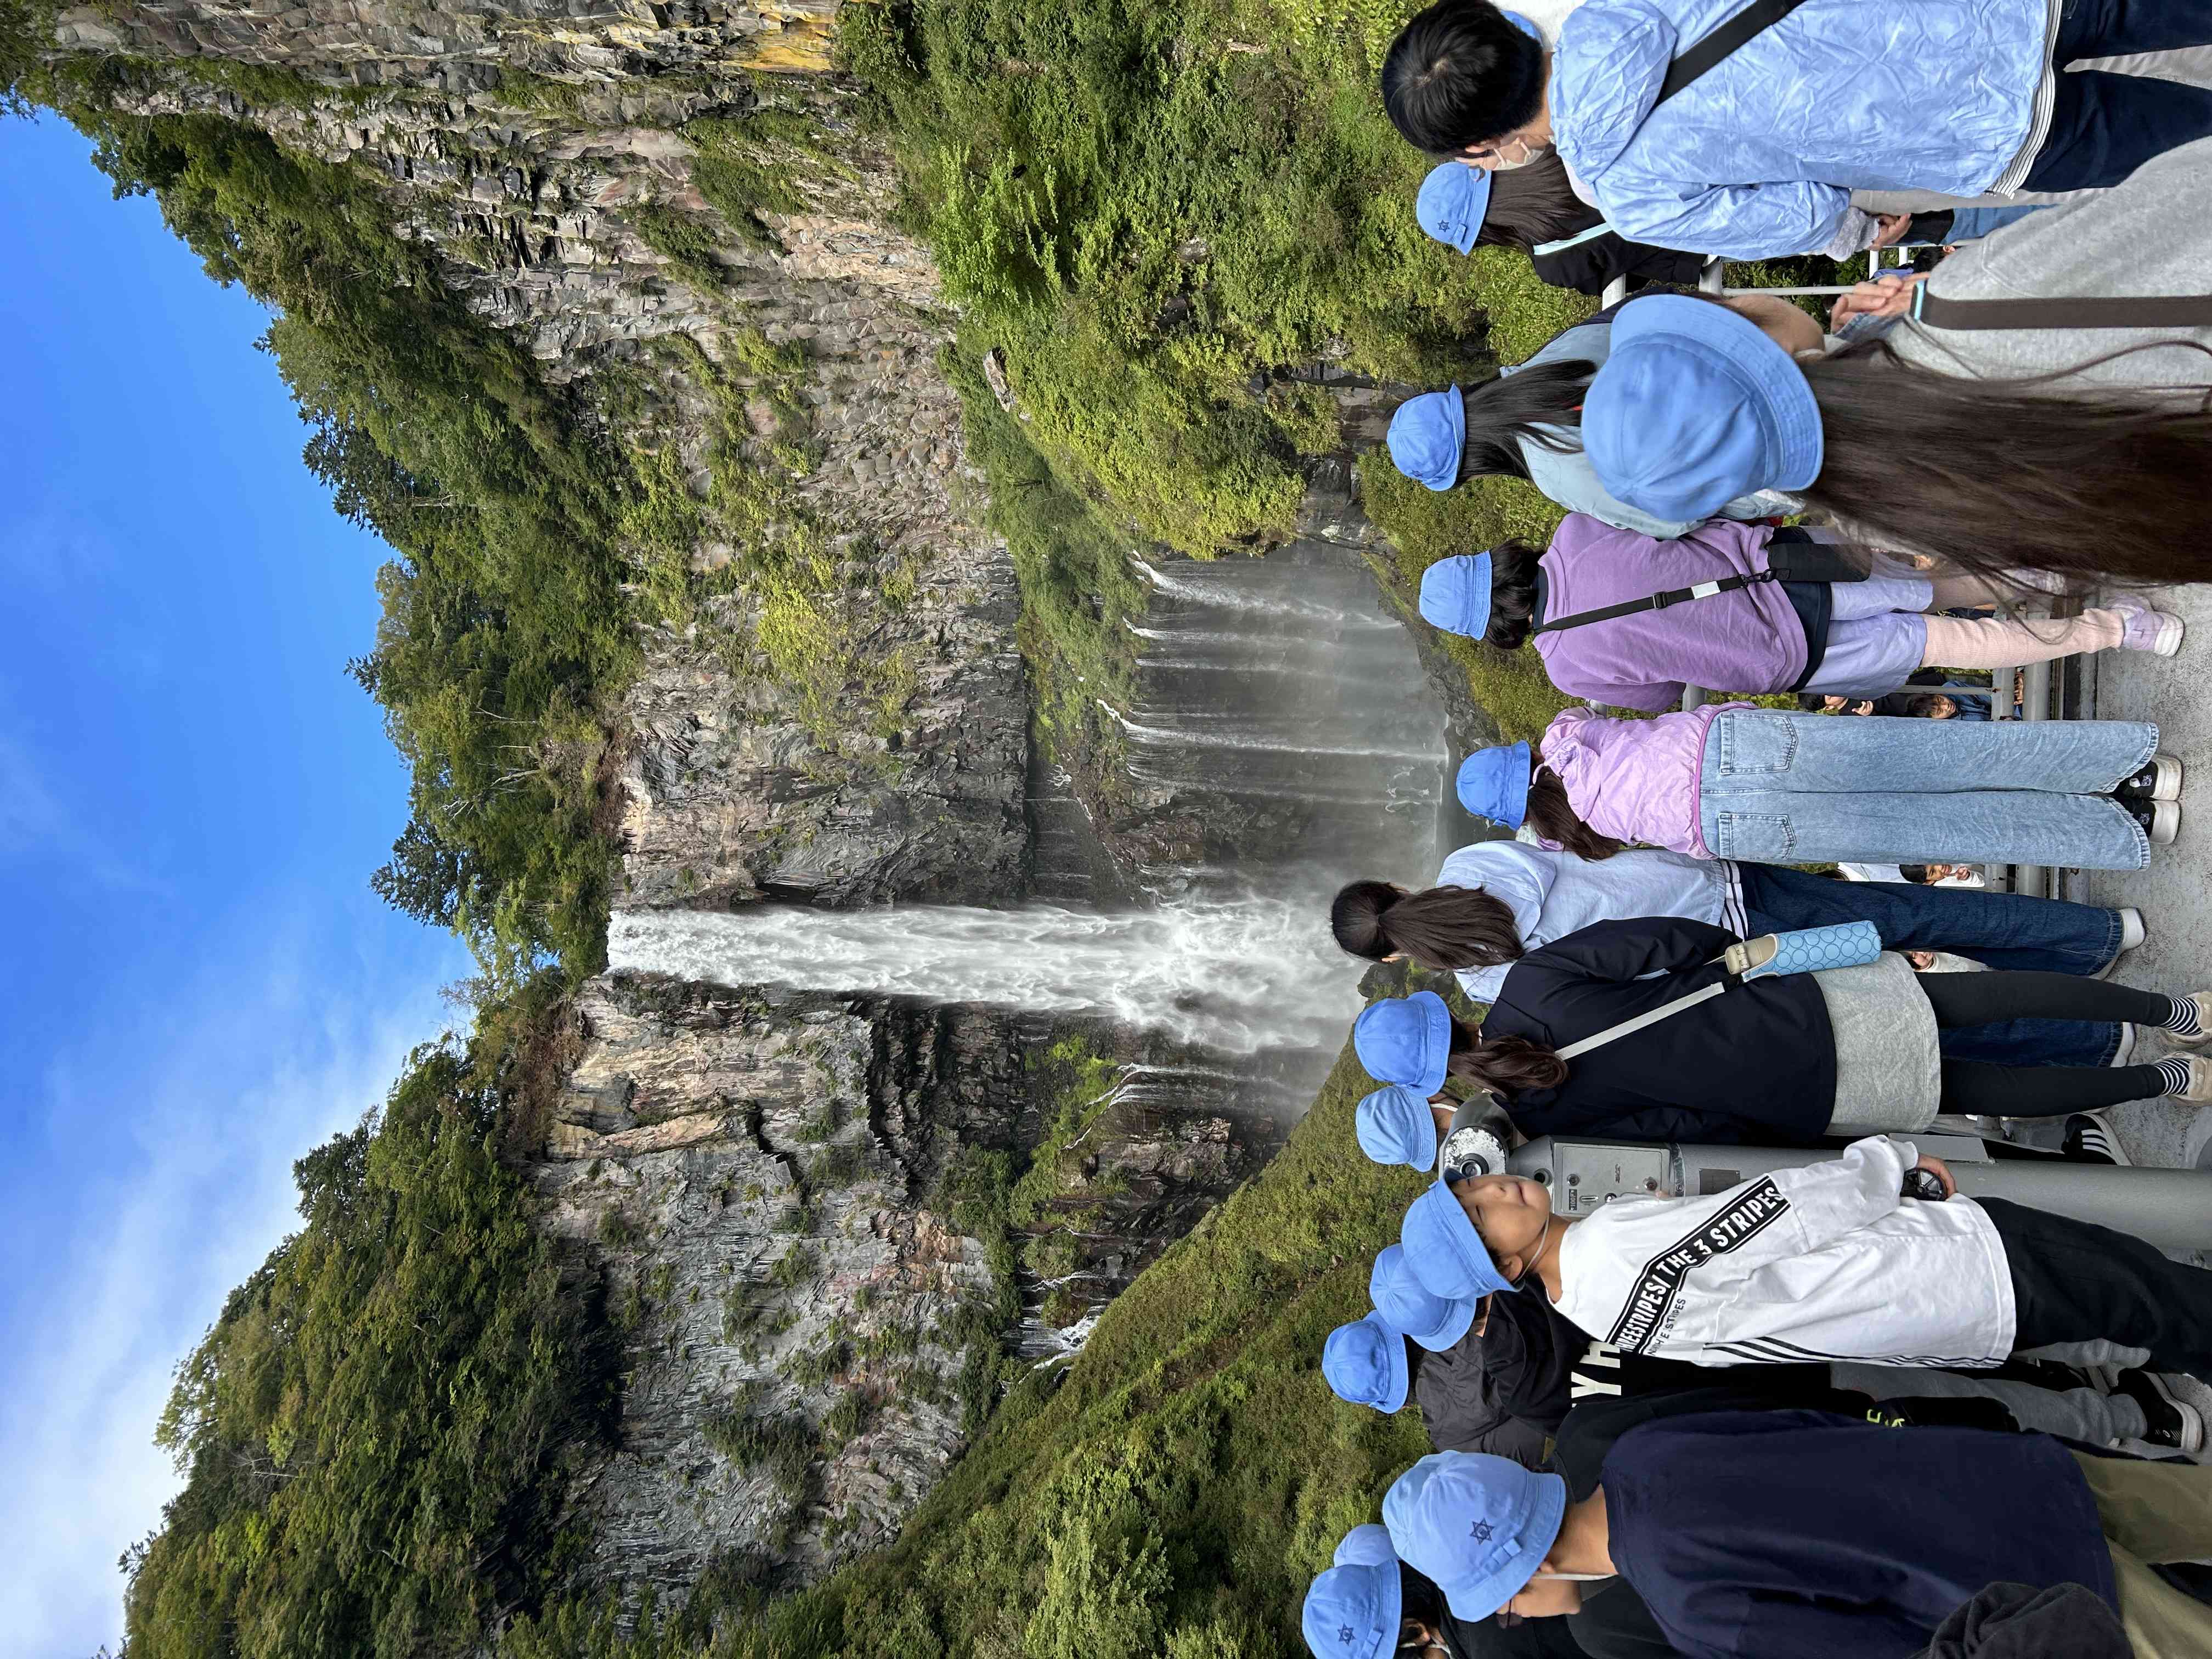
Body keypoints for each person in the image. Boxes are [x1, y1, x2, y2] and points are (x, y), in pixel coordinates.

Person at [1378, 0, 2212, 259]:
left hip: (1974, 128)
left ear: (1483, 149)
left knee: (2192, 147)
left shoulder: (1628, 193)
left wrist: (1861, 233)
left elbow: (1796, 215)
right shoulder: (1618, 9)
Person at [1400, 1135, 2212, 1386]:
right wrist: (1892, 1166)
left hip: (1934, 1318)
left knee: (2147, 1316)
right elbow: (1775, 1215)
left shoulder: (1592, 1309)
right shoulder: (1606, 1244)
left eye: (1474, 1189)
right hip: (1940, 1265)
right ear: (1507, 1269)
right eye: (1480, 1216)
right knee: (2155, 1294)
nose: (1495, 1188)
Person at [1382, 1417, 2212, 1656]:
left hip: (2042, 1600)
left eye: (1505, 1607)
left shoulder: (1689, 1609)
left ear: (1523, 1576)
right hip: (2005, 1475)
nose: (1517, 1617)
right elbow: (1818, 1426)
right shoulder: (1642, 1450)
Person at [1328, 1226, 2194, 1452]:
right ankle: (2134, 1347)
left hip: (1776, 1405)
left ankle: (2135, 1423)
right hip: (1773, 1313)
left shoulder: (1489, 1432)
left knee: (1956, 1407)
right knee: (1960, 1310)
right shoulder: (1536, 1277)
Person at [1575, 289, 2212, 592]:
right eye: (1726, 306)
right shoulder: (1960, 308)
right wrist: (1933, 299)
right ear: (1765, 341)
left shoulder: (1880, 514)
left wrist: (1854, 343)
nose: (1740, 293)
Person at [1354, 926, 2212, 1142]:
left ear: (1438, 1084)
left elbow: (1677, 1128)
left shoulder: (1538, 1115)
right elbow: (1659, 941)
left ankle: (2171, 1084)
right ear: (1442, 1011)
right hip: (1791, 1004)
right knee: (1983, 1001)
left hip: (1798, 1092)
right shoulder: (1532, 983)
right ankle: (2176, 1015)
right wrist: (1726, 958)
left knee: (1982, 1091)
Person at [1409, 525, 2177, 712]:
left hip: (1781, 658)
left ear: (1496, 627)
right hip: (1783, 567)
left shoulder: (1567, 667)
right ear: (1498, 563)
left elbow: (1660, 693)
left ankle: (2118, 630)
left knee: (1944, 640)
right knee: (1930, 585)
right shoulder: (1579, 530)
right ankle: (2052, 574)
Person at [1330, 840, 2142, 1003]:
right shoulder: (1473, 867)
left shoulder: (1484, 986)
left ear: (1393, 960)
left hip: (1737, 955)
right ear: (1394, 884)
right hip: (1718, 884)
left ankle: (2079, 985)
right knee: (1911, 912)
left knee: (1891, 968)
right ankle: (2094, 940)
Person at [1454, 706, 2184, 870]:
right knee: (1941, 754)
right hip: (1740, 747)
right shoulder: (1566, 739)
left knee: (1937, 831)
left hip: (1733, 830)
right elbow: (1583, 717)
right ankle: (2129, 769)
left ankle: (2126, 832)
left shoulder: (1571, 835)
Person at [1386, 299, 1800, 539]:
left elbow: (1677, 520)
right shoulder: (1553, 358)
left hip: (1777, 458)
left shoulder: (1555, 474)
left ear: (1472, 468)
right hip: (1770, 357)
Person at [1415, 150, 1709, 297]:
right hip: (1696, 156)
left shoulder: (1553, 261)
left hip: (1705, 232)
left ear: (1485, 235)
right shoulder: (1552, 146)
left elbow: (1625, 281)